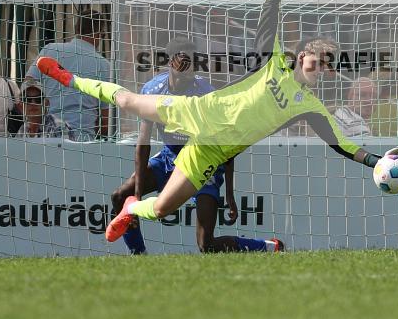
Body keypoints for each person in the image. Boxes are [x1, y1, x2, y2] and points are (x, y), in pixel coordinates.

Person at [36, 0, 398, 240]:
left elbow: (340, 144)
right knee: (130, 102)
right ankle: (68, 77)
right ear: (303, 53)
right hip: (199, 113)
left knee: (164, 206)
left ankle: (133, 208)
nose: (320, 66)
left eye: (327, 65)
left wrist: (379, 161)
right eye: (317, 58)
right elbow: (270, 10)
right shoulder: (274, 61)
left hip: (212, 152)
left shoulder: (307, 105)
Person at [112, 37, 282, 255]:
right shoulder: (153, 89)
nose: (190, 66)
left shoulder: (206, 93)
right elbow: (143, 143)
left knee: (206, 245)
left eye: (195, 61)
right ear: (171, 62)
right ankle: (139, 255)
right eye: (185, 60)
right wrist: (136, 196)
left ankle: (270, 247)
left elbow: (226, 146)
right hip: (170, 157)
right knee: (120, 196)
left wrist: (229, 193)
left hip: (201, 163)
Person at [25, 10, 110, 140]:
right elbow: (105, 121)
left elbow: (28, 83)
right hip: (82, 139)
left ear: (76, 28)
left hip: (48, 135)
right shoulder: (104, 66)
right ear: (100, 34)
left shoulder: (50, 49)